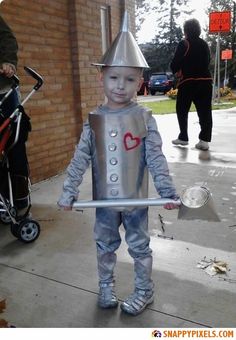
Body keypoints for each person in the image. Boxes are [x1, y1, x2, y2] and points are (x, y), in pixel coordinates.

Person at [58, 12, 179, 316]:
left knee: (139, 246)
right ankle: (106, 286)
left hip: (137, 201)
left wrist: (166, 190)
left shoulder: (143, 118)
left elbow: (155, 157)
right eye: (114, 77)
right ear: (102, 77)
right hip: (104, 204)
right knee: (104, 245)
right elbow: (80, 158)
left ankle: (144, 290)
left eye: (129, 79)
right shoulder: (94, 120)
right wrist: (69, 190)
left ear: (141, 82)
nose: (120, 86)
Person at [0, 14, 30, 209]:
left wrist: (8, 62)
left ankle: (20, 200)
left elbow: (8, 39)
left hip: (4, 91)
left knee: (14, 143)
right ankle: (3, 201)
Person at [170, 18, 213, 151]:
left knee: (182, 110)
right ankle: (204, 140)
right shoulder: (205, 44)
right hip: (205, 82)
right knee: (205, 111)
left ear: (186, 30)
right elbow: (208, 61)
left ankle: (183, 137)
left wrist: (176, 71)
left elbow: (175, 63)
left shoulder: (184, 43)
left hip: (188, 82)